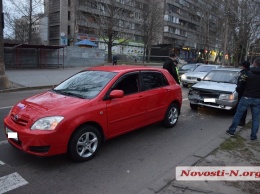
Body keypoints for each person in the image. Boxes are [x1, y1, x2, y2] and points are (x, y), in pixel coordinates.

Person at [226, 58, 260, 141]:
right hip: (257, 99)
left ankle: (231, 130)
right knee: (256, 118)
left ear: (254, 64)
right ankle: (253, 136)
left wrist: (238, 89)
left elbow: (241, 85)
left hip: (246, 97)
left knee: (238, 114)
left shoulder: (247, 74)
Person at [235, 61, 250, 126]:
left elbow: (242, 83)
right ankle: (242, 121)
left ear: (243, 66)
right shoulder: (249, 72)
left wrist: (237, 89)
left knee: (241, 108)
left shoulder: (244, 73)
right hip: (247, 93)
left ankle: (241, 122)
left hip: (243, 93)